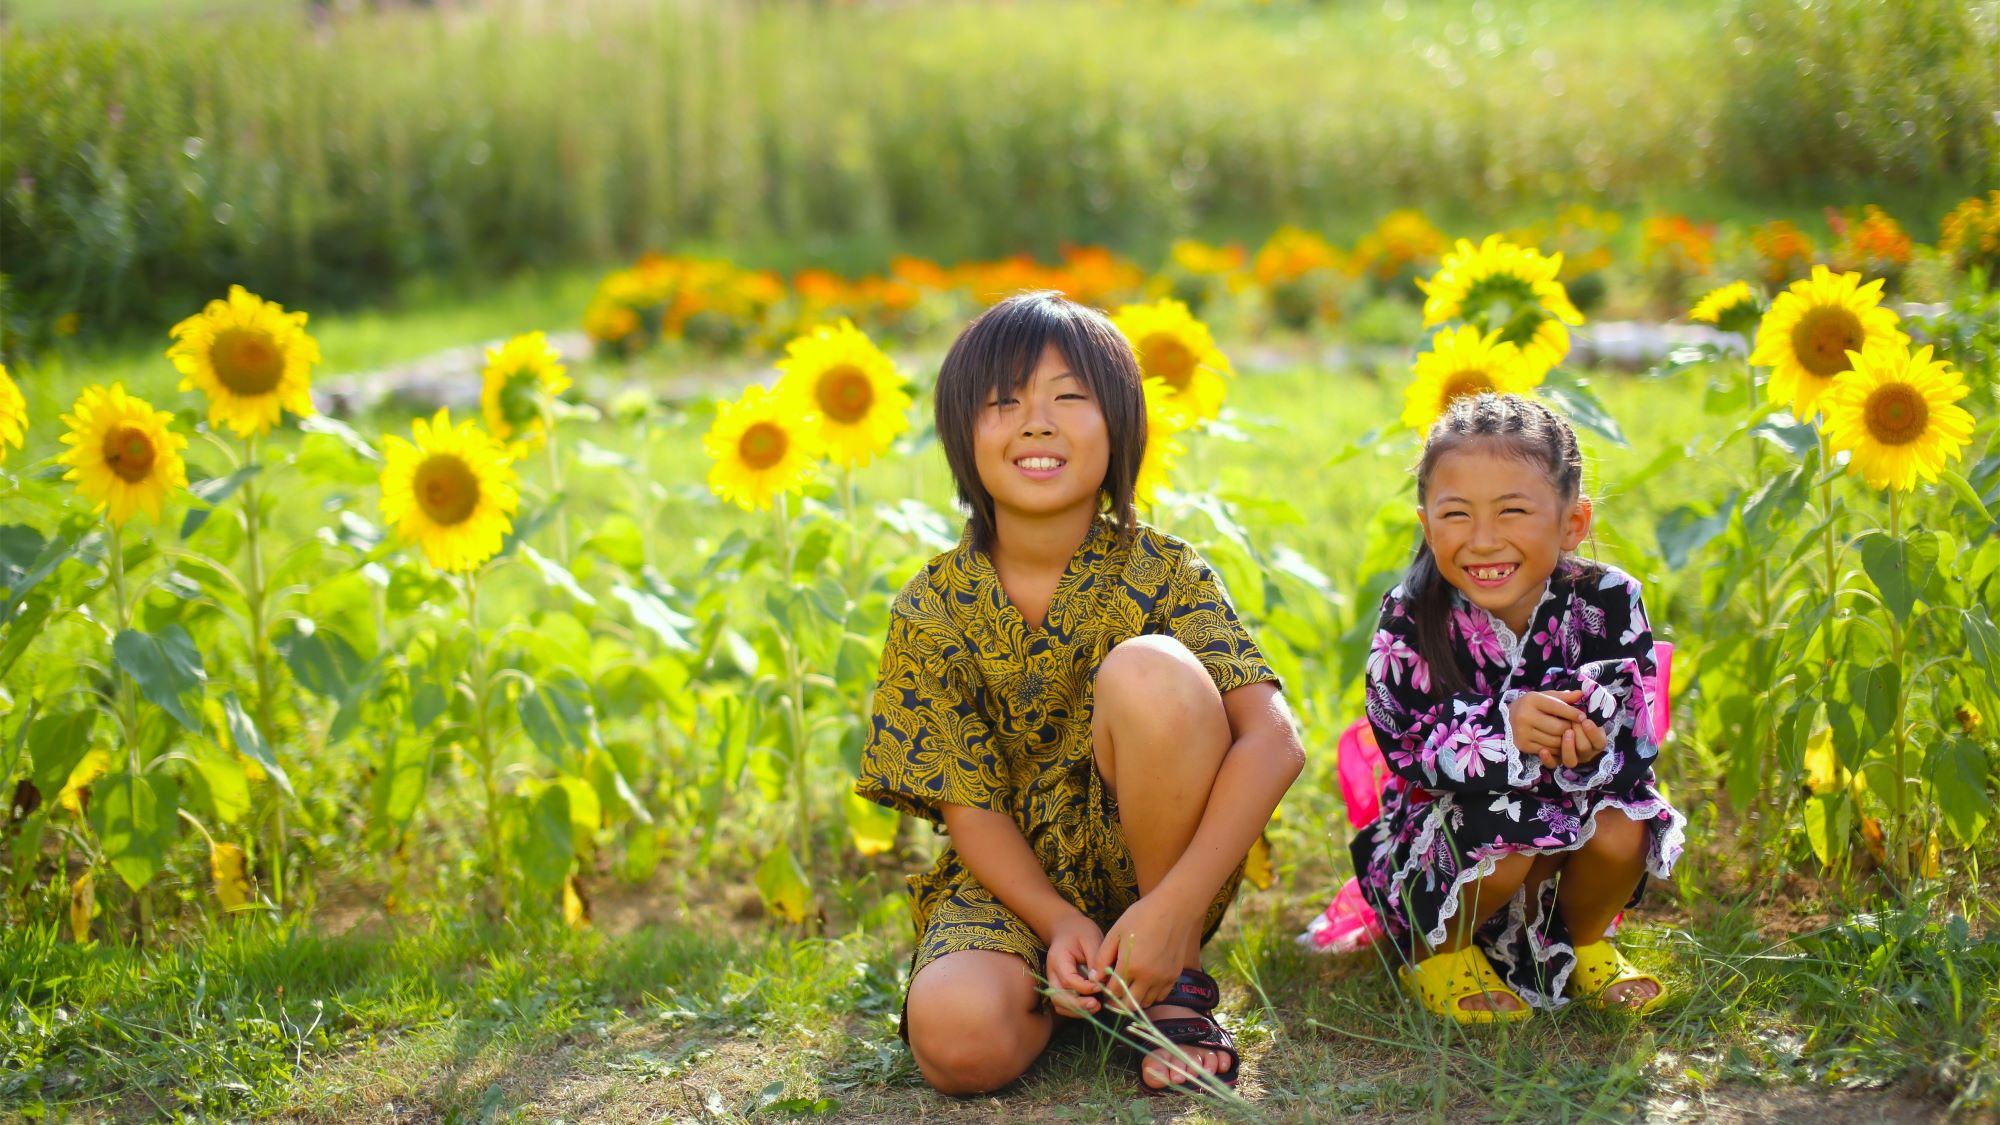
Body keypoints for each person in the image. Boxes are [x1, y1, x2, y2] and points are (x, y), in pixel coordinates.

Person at [854, 291, 1305, 1094]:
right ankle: (1080, 986)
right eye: (1004, 401)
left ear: (1122, 427)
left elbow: (1275, 738)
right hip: (1013, 888)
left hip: (1162, 873)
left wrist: (1175, 908)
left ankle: (1172, 987)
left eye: (1070, 397)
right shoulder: (930, 609)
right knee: (957, 1042)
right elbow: (970, 806)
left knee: (1151, 669)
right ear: (961, 433)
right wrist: (1057, 919)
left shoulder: (1165, 571)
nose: (1036, 421)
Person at [1349, 392, 1684, 1021]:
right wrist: (1505, 728)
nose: (1482, 541)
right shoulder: (1414, 614)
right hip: (1453, 832)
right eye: (1455, 515)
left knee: (1624, 825)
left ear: (1572, 523)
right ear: (1426, 524)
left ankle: (1581, 943)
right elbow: (1403, 736)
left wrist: (1583, 735)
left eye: (1512, 512)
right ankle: (1440, 951)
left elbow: (1631, 706)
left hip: (1572, 811)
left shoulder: (1610, 600)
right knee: (1506, 828)